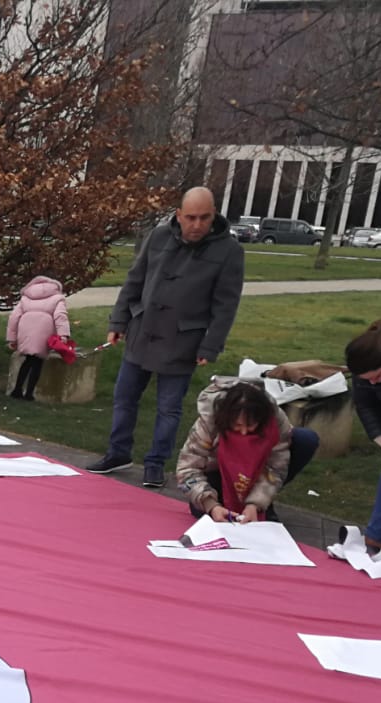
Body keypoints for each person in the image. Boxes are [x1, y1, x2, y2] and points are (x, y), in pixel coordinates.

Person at [86, 187, 245, 489]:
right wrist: (119, 320)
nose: (197, 225)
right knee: (124, 398)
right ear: (178, 215)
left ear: (214, 216)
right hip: (142, 330)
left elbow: (226, 306)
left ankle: (156, 463)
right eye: (191, 218)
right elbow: (134, 280)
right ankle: (117, 453)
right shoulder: (158, 238)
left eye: (204, 217)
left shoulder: (229, 251)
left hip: (183, 339)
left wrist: (211, 345)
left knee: (169, 407)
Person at [175, 380, 301, 522]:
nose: (243, 431)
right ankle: (221, 504)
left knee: (304, 439)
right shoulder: (209, 420)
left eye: (251, 425)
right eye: (237, 425)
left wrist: (256, 503)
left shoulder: (276, 420)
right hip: (217, 474)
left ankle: (261, 505)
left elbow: (276, 467)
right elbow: (187, 468)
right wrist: (211, 504)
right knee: (208, 516)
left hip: (254, 473)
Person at [346, 317, 381, 556]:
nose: (374, 383)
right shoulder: (365, 369)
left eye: (378, 377)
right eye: (367, 380)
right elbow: (366, 406)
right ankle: (379, 540)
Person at [5, 276, 70, 401]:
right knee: (38, 361)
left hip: (26, 328)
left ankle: (17, 389)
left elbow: (14, 317)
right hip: (44, 329)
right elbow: (60, 316)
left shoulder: (26, 298)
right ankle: (29, 393)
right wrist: (63, 334)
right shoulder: (58, 298)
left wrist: (12, 338)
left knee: (28, 359)